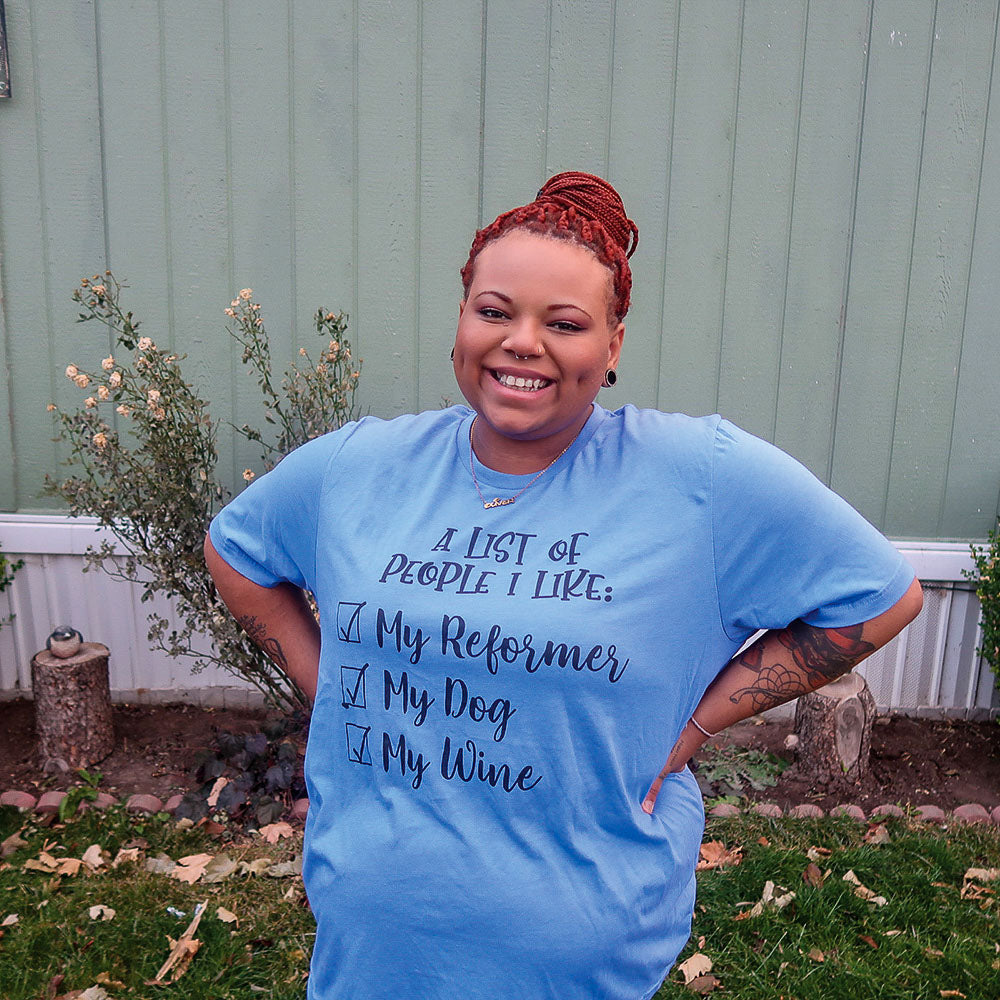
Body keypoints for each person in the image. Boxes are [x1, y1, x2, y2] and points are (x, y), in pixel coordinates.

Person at [204, 171, 923, 1000]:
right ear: (463, 320)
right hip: (376, 938)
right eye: (495, 311)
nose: (522, 342)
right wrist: (326, 683)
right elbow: (239, 552)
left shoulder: (697, 478)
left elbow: (878, 596)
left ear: (612, 345)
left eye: (566, 323)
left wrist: (697, 720)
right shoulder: (359, 466)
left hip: (579, 943)